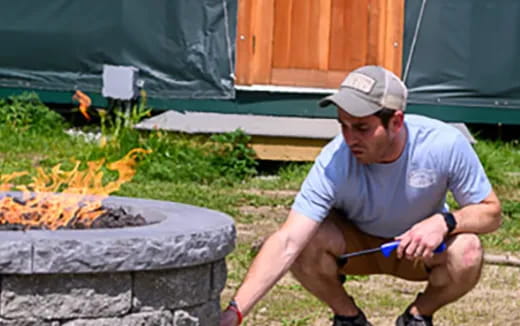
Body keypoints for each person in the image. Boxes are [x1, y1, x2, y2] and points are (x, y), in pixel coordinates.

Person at [219, 65, 501, 326]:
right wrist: (234, 313)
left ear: (396, 122)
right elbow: (287, 241)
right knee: (305, 242)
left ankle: (418, 316)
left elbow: (491, 213)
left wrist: (443, 223)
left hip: (418, 250)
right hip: (356, 246)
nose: (350, 137)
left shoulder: (443, 144)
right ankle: (348, 317)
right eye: (343, 125)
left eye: (362, 128)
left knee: (468, 251)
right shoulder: (334, 160)